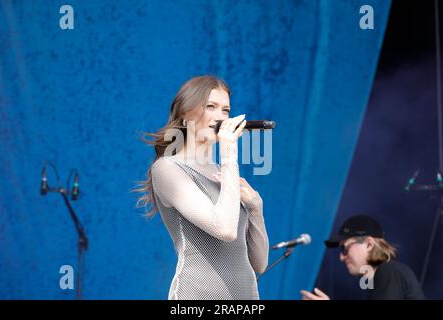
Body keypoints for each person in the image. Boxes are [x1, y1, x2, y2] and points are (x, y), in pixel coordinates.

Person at [134, 75, 269, 300]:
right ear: (186, 114)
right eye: (211, 107)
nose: (220, 117)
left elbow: (260, 263)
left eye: (226, 110)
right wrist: (229, 154)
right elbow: (224, 229)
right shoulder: (168, 168)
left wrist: (256, 208)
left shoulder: (223, 172)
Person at [300, 214, 425, 300]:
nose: (341, 257)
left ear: (369, 244)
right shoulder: (376, 281)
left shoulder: (389, 271)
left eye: (345, 248)